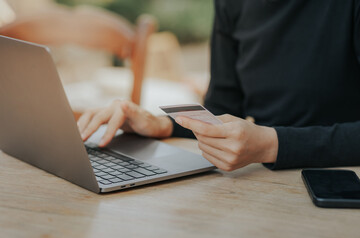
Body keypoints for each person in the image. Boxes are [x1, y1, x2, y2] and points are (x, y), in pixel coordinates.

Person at [78, 0, 360, 171]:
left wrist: (272, 145)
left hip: (339, 185)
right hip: (260, 185)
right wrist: (159, 125)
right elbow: (222, 110)